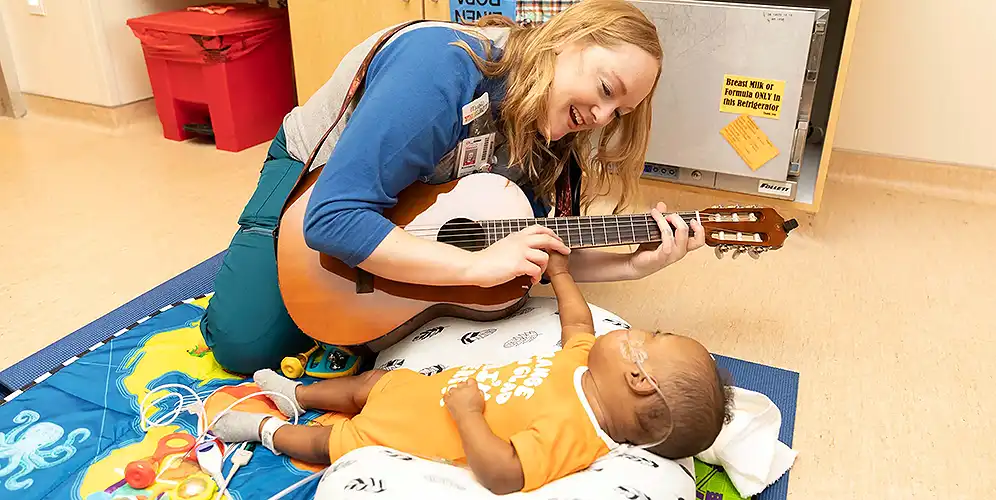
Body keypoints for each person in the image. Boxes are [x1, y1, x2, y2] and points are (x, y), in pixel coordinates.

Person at [200, 0, 706, 375]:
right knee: (245, 344)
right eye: (605, 90)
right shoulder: (441, 68)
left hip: (422, 204)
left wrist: (632, 264)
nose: (600, 117)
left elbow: (530, 244)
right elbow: (333, 216)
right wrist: (472, 267)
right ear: (564, 39)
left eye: (618, 113)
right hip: (314, 180)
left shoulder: (558, 122)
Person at [213, 250, 733, 494]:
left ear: (639, 380)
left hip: (408, 432)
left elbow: (503, 472)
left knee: (329, 444)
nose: (634, 332)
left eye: (646, 340)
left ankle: (267, 431)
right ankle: (298, 396)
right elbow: (577, 321)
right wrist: (562, 273)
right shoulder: (584, 365)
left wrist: (468, 417)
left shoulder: (575, 435)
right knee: (367, 384)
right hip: (418, 389)